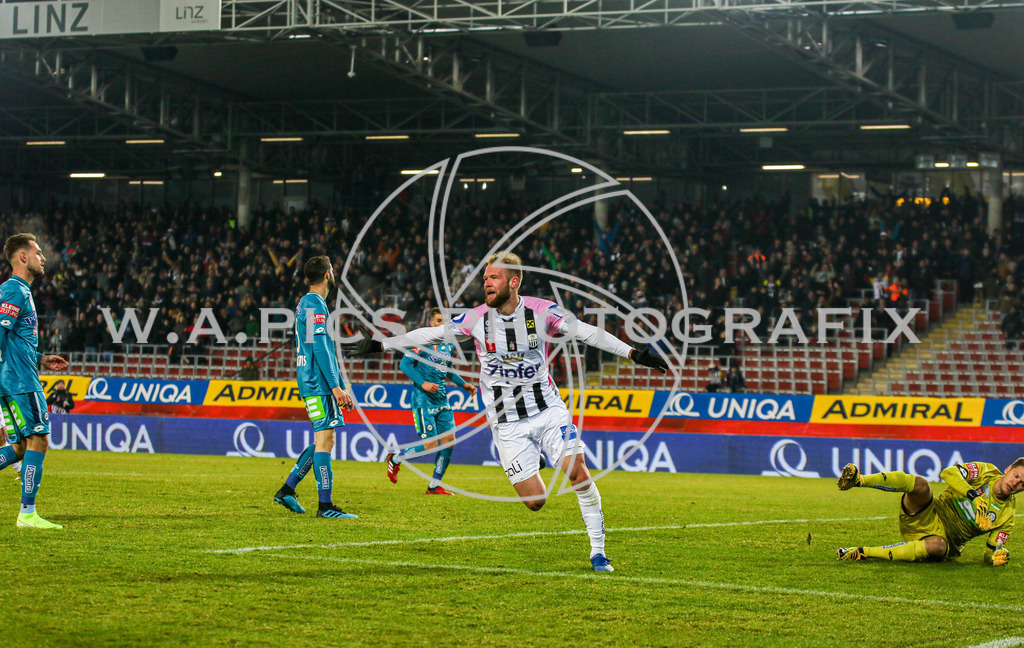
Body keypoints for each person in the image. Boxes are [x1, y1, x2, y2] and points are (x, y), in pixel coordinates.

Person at [345, 251, 668, 571]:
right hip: (506, 424)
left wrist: (633, 353)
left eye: (493, 277)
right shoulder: (475, 318)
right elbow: (430, 334)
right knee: (534, 502)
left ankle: (598, 552)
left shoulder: (543, 312)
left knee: (577, 473)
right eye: (485, 277)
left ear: (513, 282)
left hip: (548, 411)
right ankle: (537, 459)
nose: (486, 282)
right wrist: (380, 345)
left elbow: (585, 331)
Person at [272, 256, 357, 519]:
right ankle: (325, 507)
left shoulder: (307, 303)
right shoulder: (314, 304)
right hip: (318, 383)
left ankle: (286, 490)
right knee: (326, 440)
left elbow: (323, 348)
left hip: (313, 381)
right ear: (328, 274)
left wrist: (341, 384)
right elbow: (320, 347)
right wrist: (335, 387)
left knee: (322, 438)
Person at [0, 234, 70, 529]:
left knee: (18, 447)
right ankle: (27, 514)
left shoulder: (19, 291)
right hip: (21, 381)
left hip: (15, 375)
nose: (43, 257)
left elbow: (14, 338)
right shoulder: (14, 290)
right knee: (38, 438)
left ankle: (28, 513)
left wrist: (41, 357)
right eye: (38, 252)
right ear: (23, 257)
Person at [835, 459, 1022, 565]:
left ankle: (863, 552)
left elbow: (991, 553)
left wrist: (999, 556)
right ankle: (859, 480)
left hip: (944, 541)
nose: (1016, 483)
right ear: (1008, 469)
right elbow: (948, 473)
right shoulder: (986, 471)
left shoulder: (1007, 516)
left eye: (1022, 484)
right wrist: (973, 495)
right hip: (927, 512)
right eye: (1016, 476)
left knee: (937, 546)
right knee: (920, 484)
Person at [386, 307, 479, 495]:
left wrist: (463, 384)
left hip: (442, 401)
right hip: (423, 401)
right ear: (431, 324)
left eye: (445, 322)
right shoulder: (421, 342)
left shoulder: (448, 345)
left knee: (449, 442)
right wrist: (423, 383)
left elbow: (449, 368)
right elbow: (404, 364)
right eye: (438, 321)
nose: (442, 325)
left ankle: (434, 485)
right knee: (430, 445)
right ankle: (396, 459)